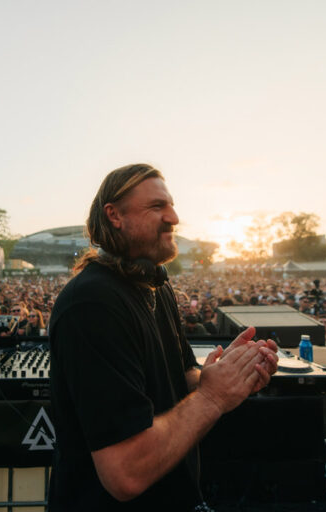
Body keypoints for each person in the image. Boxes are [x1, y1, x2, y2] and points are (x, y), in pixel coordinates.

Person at [49, 163, 279, 511]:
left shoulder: (155, 284)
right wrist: (212, 397)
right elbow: (125, 472)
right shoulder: (92, 303)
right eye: (157, 206)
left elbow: (178, 378)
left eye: (170, 205)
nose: (173, 218)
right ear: (114, 215)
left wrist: (227, 375)